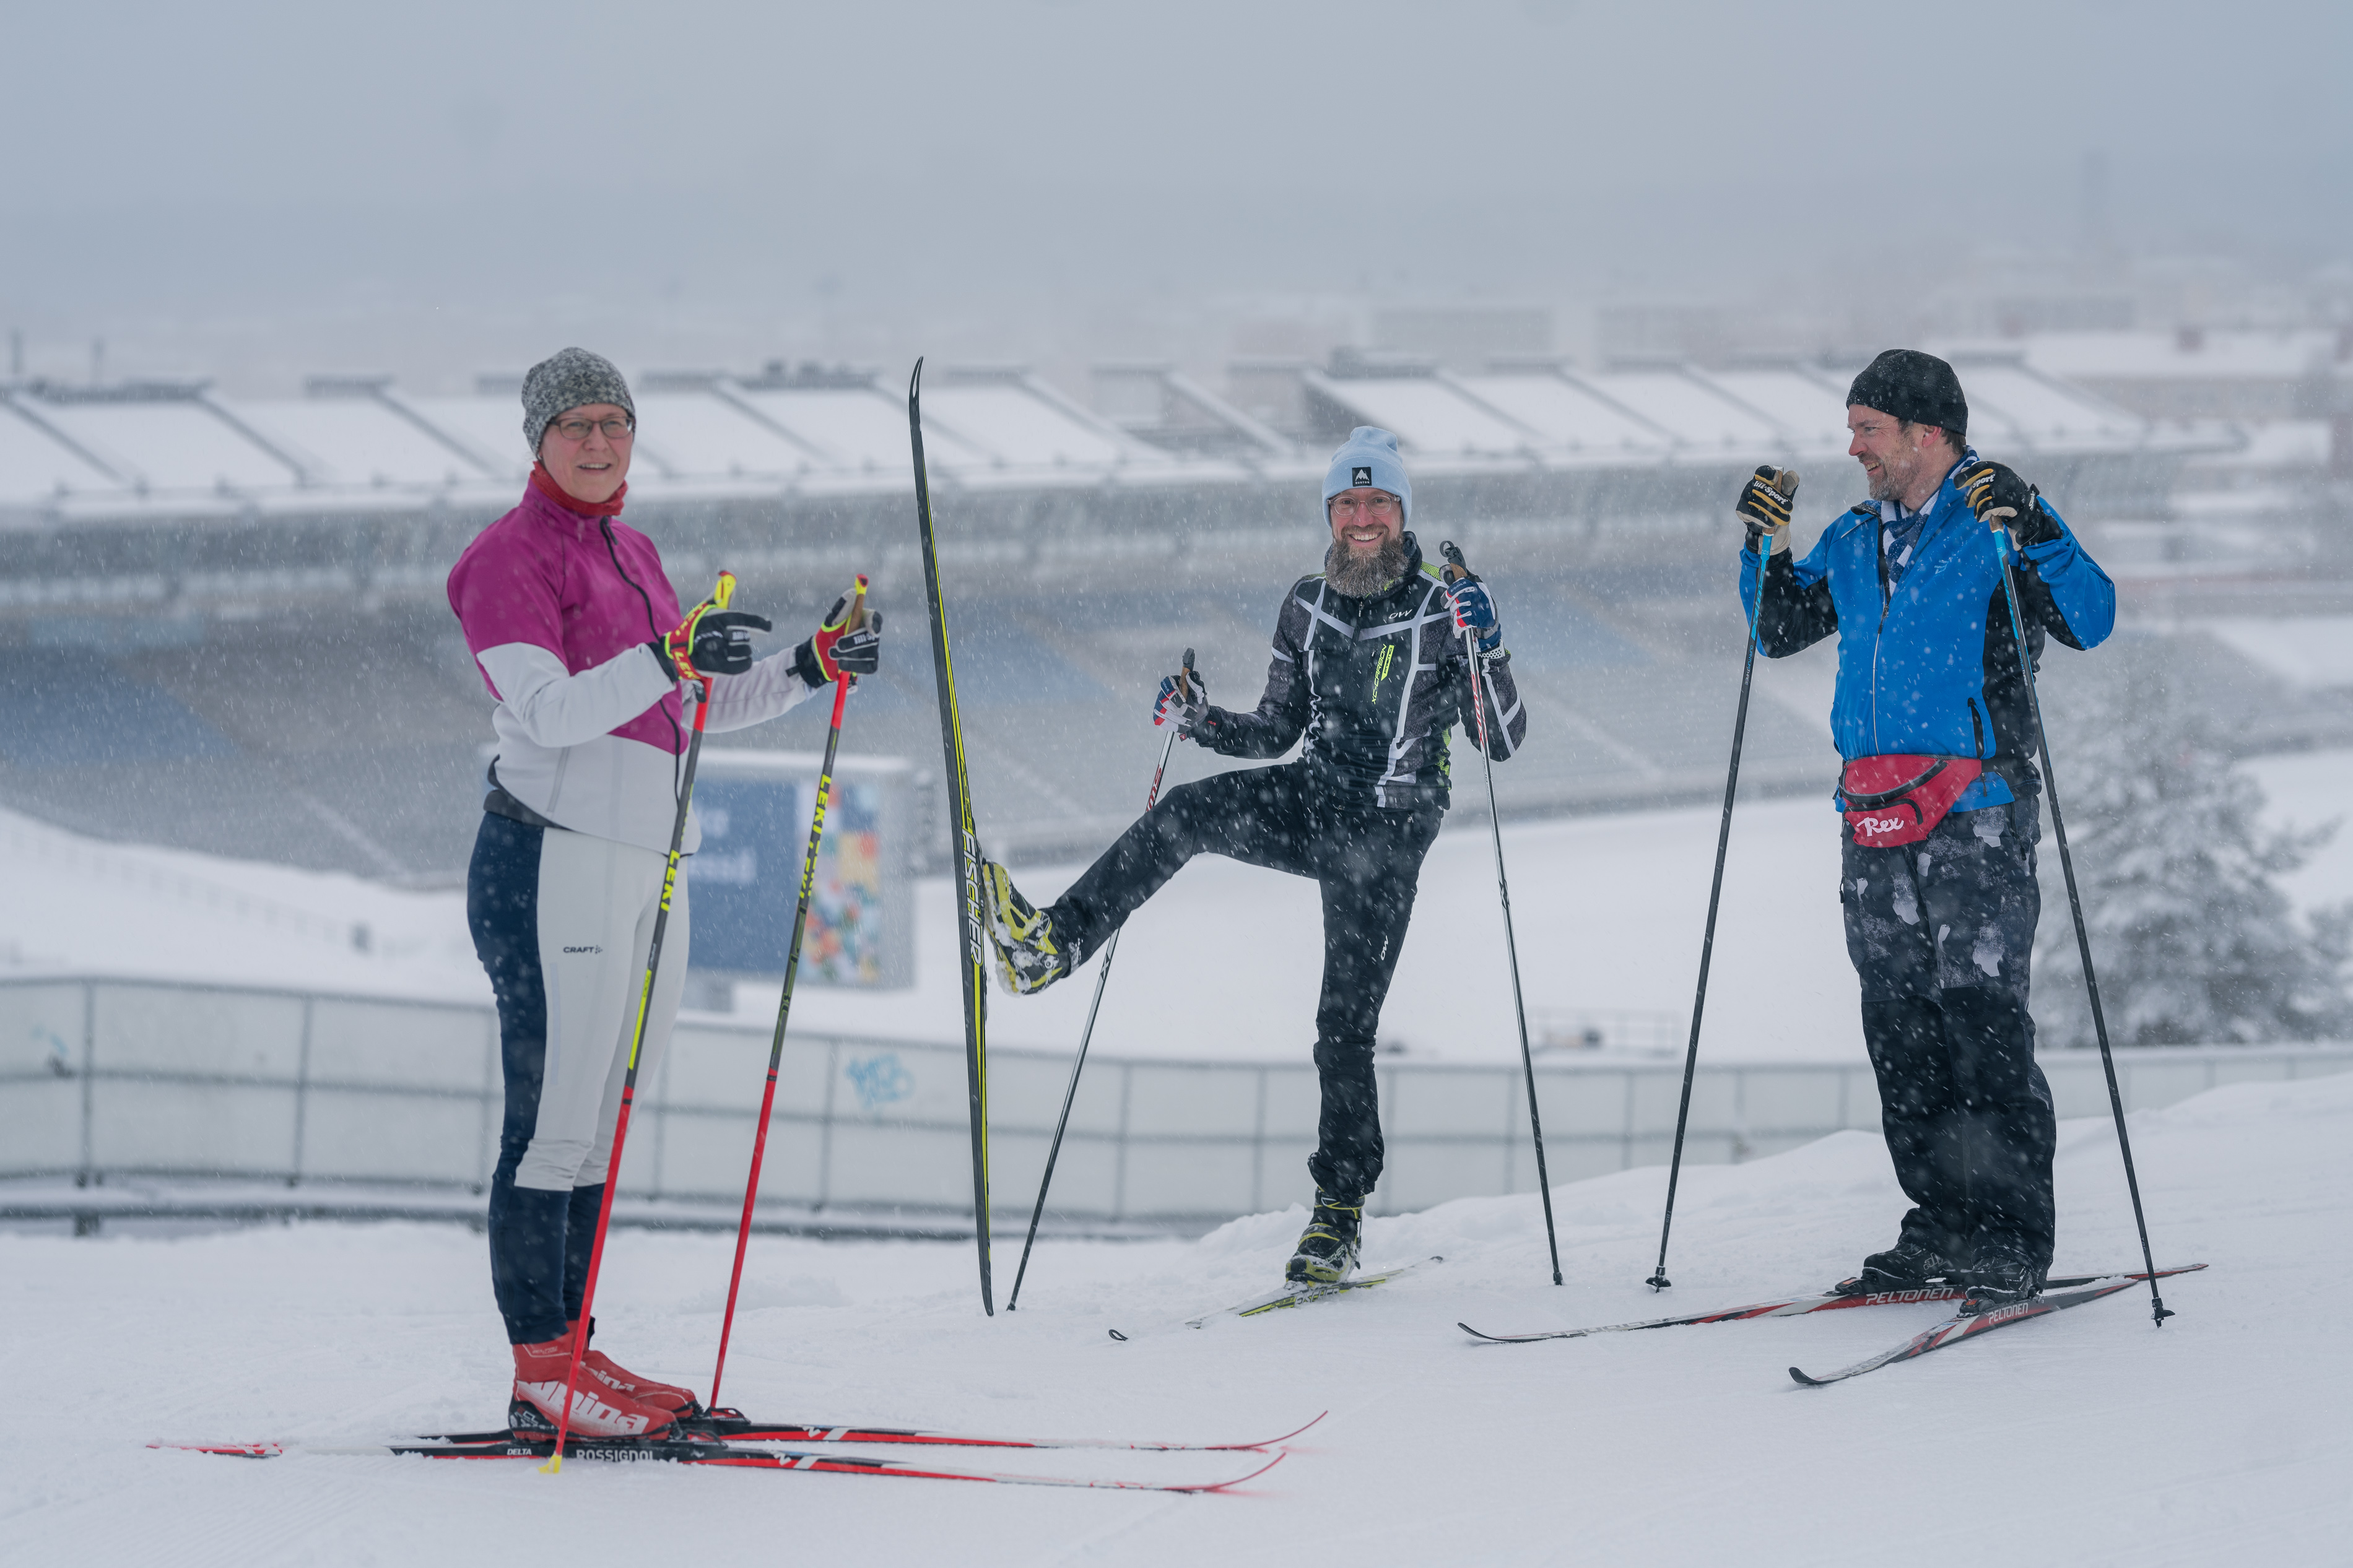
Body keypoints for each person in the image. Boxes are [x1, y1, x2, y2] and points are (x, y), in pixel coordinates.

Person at [446, 347, 882, 1437]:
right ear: (537, 439)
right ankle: (541, 1369)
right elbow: (547, 710)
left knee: (597, 1131)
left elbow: (690, 701)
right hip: (554, 854)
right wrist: (665, 652)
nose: (598, 442)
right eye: (576, 425)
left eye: (614, 422)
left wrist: (806, 667)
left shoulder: (630, 547)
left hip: (644, 860)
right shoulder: (506, 557)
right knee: (550, 1126)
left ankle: (572, 1349)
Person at [980, 426, 1526, 1286]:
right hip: (1315, 796)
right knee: (1187, 813)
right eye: (1347, 503)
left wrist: (1488, 643)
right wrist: (1203, 719)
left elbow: (1504, 738)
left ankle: (1337, 1216)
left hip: (1388, 829)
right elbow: (1277, 728)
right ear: (1330, 513)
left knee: (1341, 1030)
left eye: (1378, 501)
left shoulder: (1439, 605)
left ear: (1402, 511)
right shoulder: (1304, 603)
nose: (1362, 517)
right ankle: (1055, 941)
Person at [1738, 349, 2115, 1315]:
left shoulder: (1993, 526)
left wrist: (2036, 523)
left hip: (1976, 812)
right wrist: (1760, 549)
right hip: (1871, 815)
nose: (1852, 445)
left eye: (1867, 427)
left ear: (1927, 434)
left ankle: (2010, 1234)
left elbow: (2093, 617)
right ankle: (1942, 1224)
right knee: (1900, 1029)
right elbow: (1778, 628)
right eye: (1853, 426)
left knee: (1982, 1023)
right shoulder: (1855, 535)